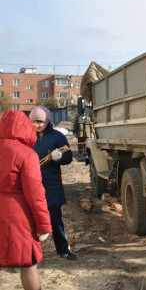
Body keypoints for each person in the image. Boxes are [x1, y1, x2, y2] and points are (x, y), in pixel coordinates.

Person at [0, 110, 53, 290]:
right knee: (28, 264)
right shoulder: (27, 154)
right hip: (17, 218)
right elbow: (35, 194)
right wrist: (44, 226)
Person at [29, 106, 77, 261]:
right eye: (34, 122)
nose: (37, 125)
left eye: (40, 122)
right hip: (31, 184)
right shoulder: (28, 136)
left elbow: (69, 157)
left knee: (56, 220)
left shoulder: (57, 137)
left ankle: (63, 249)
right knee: (30, 220)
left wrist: (60, 158)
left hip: (52, 184)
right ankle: (30, 251)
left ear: (47, 121)